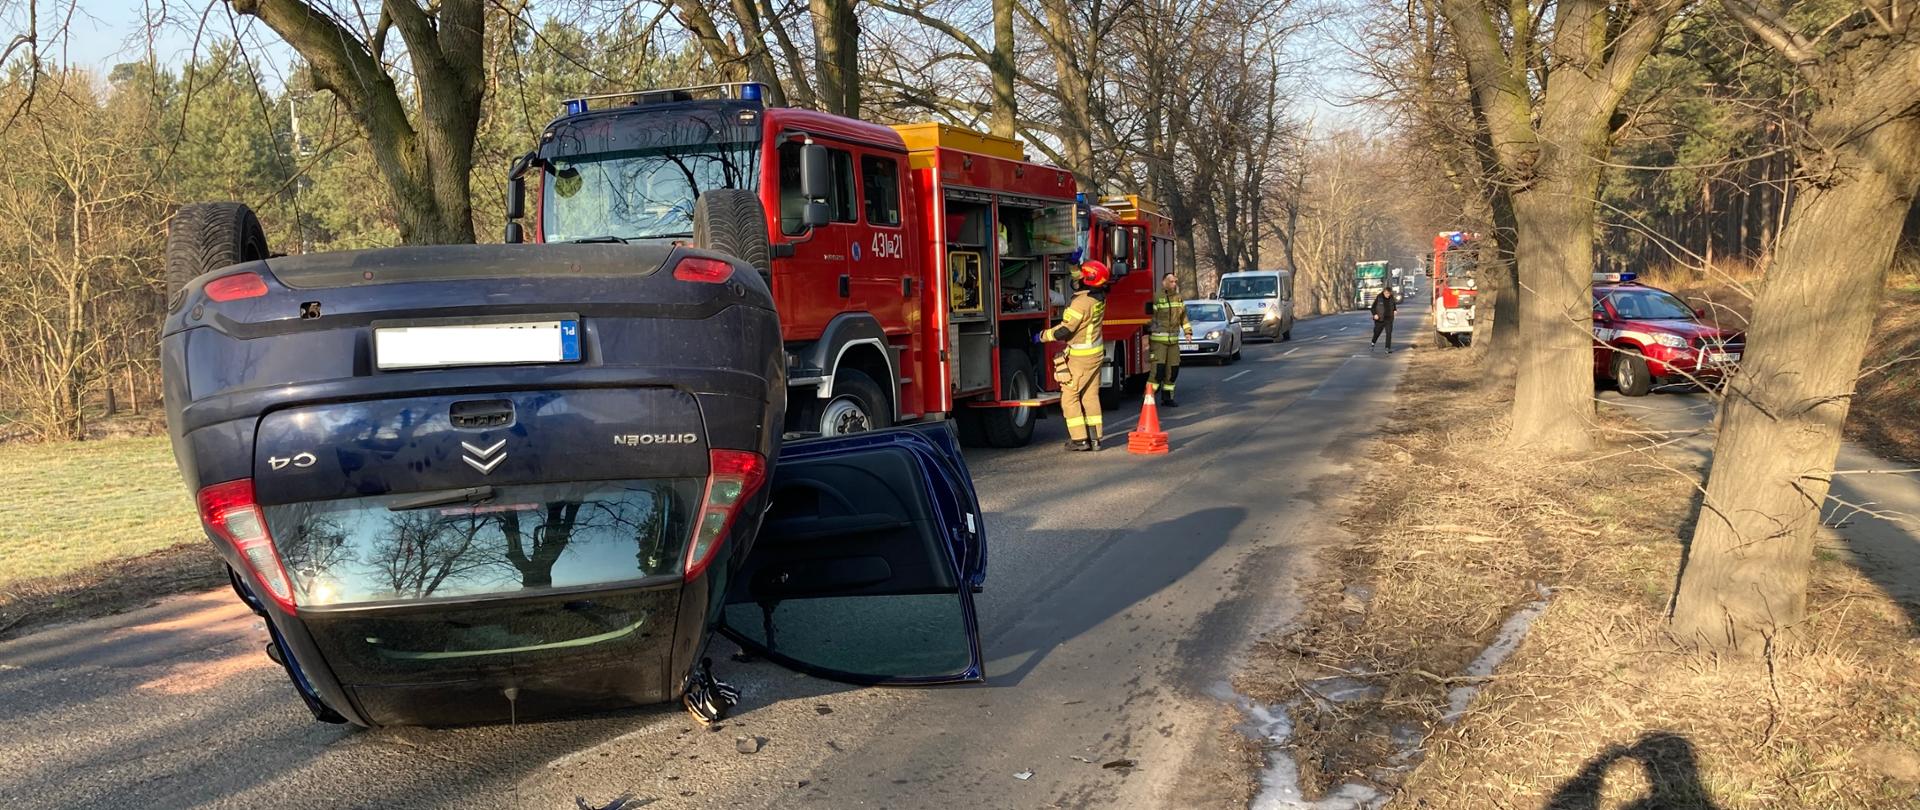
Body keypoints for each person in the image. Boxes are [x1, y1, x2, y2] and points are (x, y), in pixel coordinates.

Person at [1037, 261, 1111, 451]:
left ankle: (1080, 440)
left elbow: (1064, 331)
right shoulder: (1098, 297)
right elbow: (1082, 279)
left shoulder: (1081, 303)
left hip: (1081, 357)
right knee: (1090, 396)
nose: (1075, 280)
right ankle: (1095, 439)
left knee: (1069, 397)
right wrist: (1073, 265)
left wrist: (1042, 336)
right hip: (1094, 354)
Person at [1146, 272, 1189, 407]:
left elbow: (1184, 318)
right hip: (1159, 341)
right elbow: (1149, 318)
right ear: (1163, 282)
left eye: (1175, 281)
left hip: (1173, 342)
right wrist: (1153, 329)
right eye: (1171, 281)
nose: (1174, 284)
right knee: (1157, 372)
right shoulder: (1156, 297)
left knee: (1173, 370)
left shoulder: (1178, 298)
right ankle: (1148, 398)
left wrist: (1188, 332)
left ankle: (1167, 397)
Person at [1370, 286, 1397, 353]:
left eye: (1389, 293)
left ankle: (1387, 348)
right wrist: (1375, 314)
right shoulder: (1379, 298)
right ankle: (1373, 342)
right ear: (1384, 292)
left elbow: (1394, 306)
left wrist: (1395, 310)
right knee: (1377, 332)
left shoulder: (1391, 298)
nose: (1388, 295)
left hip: (1389, 318)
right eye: (1387, 293)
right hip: (1380, 319)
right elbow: (1372, 308)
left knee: (1389, 333)